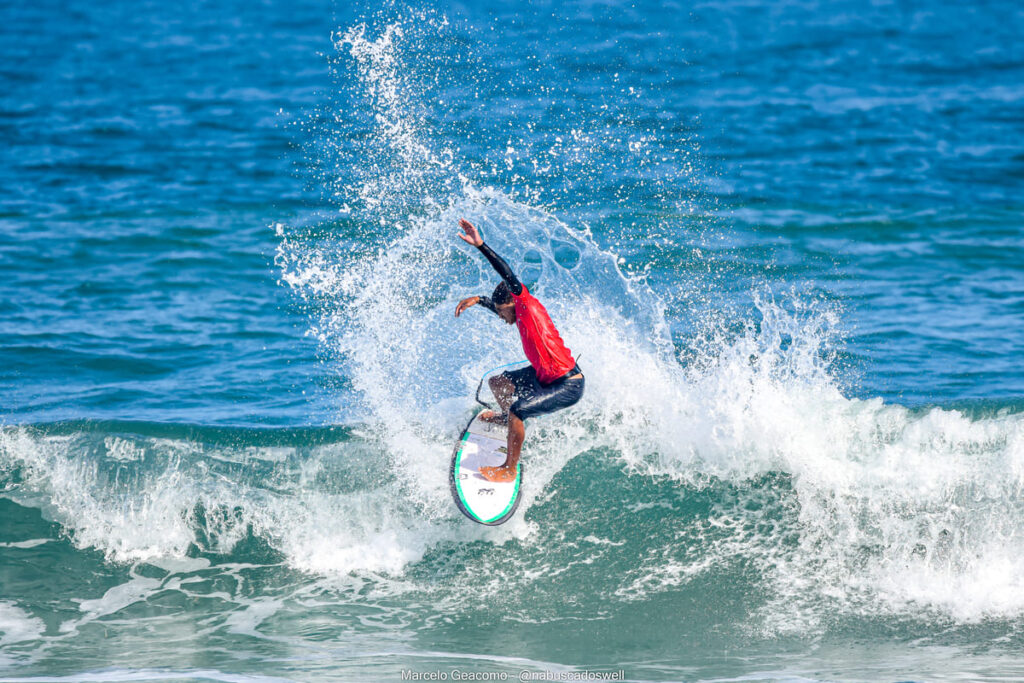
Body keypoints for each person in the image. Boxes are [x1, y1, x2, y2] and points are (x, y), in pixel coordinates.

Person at [454, 218, 584, 483]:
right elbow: (502, 308)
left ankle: (509, 469)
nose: (502, 319)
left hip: (567, 383)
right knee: (498, 383)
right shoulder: (519, 314)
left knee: (518, 409)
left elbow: (507, 275)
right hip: (543, 374)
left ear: (514, 303)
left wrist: (481, 246)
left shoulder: (525, 303)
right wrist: (480, 300)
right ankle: (507, 421)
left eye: (503, 313)